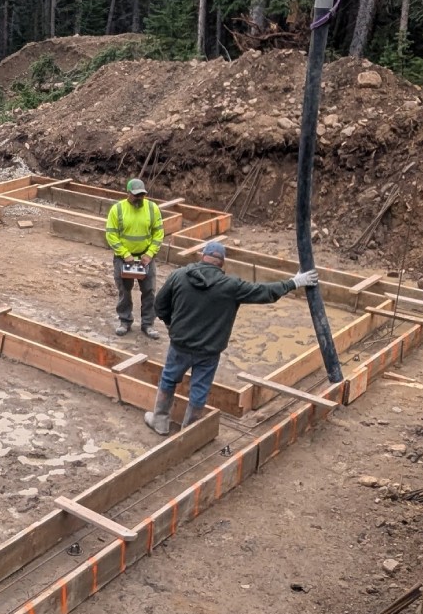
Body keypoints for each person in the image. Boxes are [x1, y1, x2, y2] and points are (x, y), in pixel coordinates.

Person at [146, 241, 318, 434]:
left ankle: (160, 420)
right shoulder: (230, 286)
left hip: (180, 345)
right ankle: (190, 431)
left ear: (203, 256)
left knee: (169, 378)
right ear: (222, 263)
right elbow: (264, 292)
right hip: (209, 351)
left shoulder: (179, 276)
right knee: (200, 389)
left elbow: (159, 305)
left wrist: (173, 326)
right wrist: (294, 282)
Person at [105, 178, 165, 338]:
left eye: (142, 195)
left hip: (146, 258)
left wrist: (150, 254)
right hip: (123, 259)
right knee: (124, 291)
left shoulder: (152, 209)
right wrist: (125, 254)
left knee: (149, 291)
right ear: (128, 193)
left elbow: (159, 234)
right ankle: (125, 321)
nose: (139, 198)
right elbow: (111, 235)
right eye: (135, 195)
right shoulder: (117, 210)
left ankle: (148, 324)